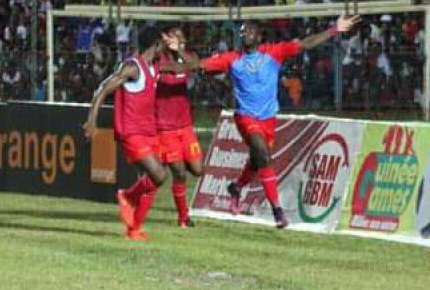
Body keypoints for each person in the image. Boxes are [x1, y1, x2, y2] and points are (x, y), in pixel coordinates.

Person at [169, 15, 361, 228]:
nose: (245, 35)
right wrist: (178, 50)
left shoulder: (274, 53)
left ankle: (236, 187)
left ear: (259, 36)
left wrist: (335, 29)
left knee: (257, 159)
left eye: (249, 31)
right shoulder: (232, 58)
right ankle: (277, 210)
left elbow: (306, 43)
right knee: (263, 153)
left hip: (268, 119)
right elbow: (198, 65)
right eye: (242, 32)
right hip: (246, 117)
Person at [83, 28, 175, 241]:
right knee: (159, 175)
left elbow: (184, 67)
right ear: (156, 45)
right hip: (133, 133)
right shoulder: (133, 67)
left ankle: (133, 229)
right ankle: (127, 196)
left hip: (149, 131)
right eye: (163, 44)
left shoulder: (155, 67)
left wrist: (178, 50)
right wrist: (92, 120)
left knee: (151, 181)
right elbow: (104, 89)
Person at [156, 27, 203, 229]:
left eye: (181, 40)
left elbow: (196, 65)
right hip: (165, 128)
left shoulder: (188, 57)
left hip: (185, 126)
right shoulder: (157, 60)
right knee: (180, 173)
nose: (179, 42)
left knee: (198, 170)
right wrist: (175, 61)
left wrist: (180, 53)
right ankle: (183, 217)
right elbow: (170, 70)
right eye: (176, 38)